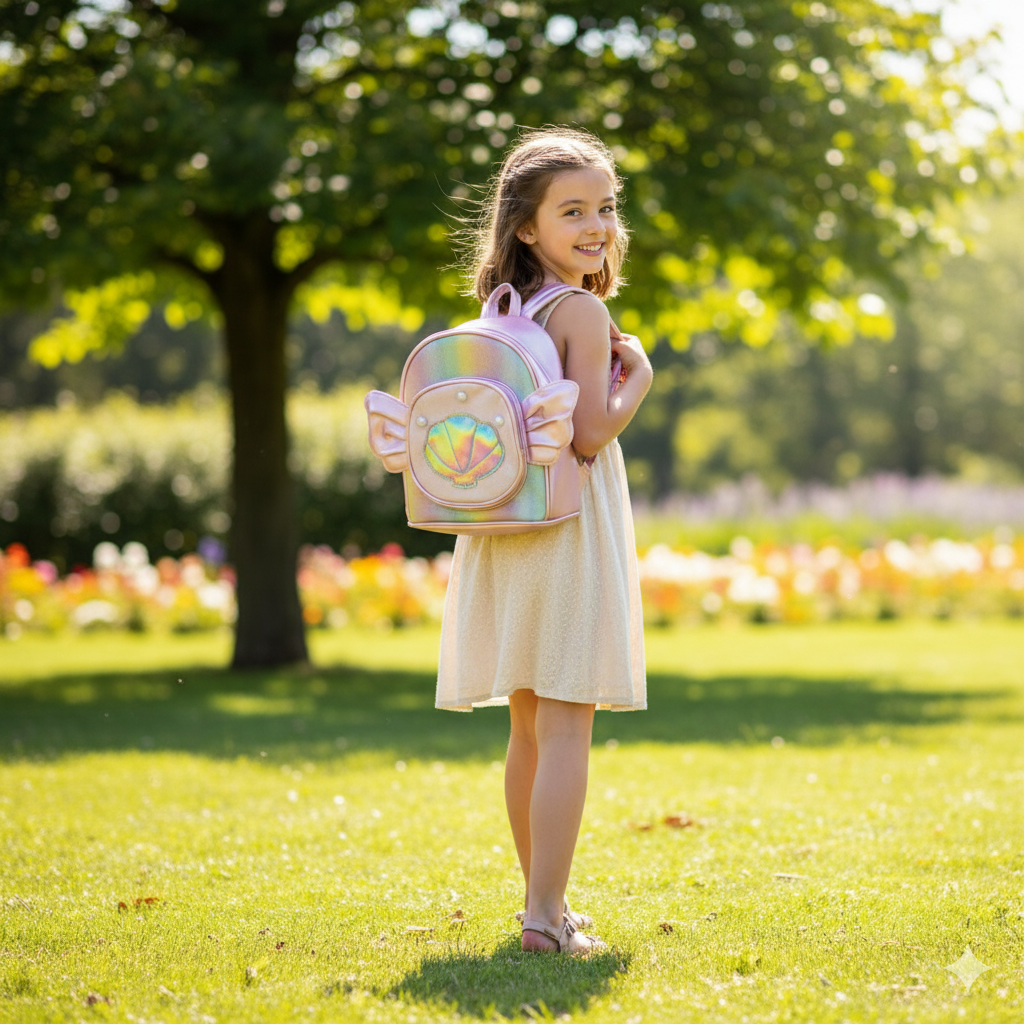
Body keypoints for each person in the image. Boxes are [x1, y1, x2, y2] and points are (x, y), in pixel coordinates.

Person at [435, 127, 653, 954]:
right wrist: (641, 379)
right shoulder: (584, 311)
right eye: (574, 211)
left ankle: (546, 906)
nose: (597, 225)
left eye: (605, 207)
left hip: (505, 527)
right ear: (527, 226)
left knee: (528, 727)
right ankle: (543, 919)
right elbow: (591, 434)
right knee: (567, 724)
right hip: (567, 526)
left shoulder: (505, 309)